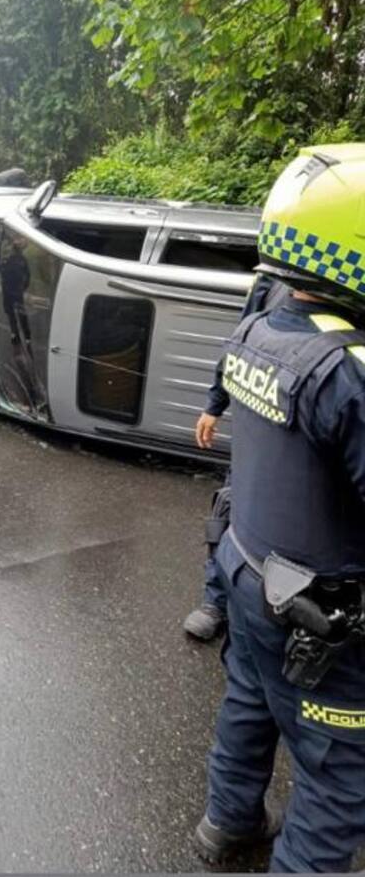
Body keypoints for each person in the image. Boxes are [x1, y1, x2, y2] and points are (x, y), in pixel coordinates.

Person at [195, 145, 365, 872]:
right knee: (339, 780)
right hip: (320, 611)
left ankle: (228, 823)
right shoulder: (349, 370)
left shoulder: (258, 328)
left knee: (251, 702)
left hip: (248, 571)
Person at [183, 273, 288, 641]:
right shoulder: (275, 279)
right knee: (232, 507)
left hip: (326, 431)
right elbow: (240, 342)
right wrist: (214, 403)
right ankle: (215, 600)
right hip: (263, 423)